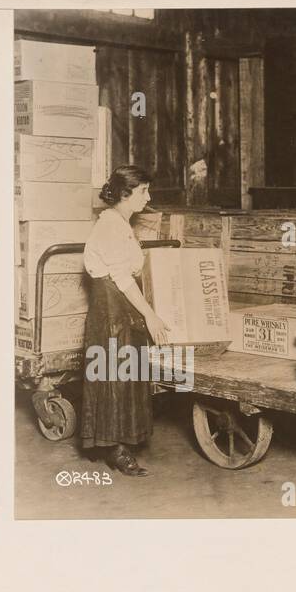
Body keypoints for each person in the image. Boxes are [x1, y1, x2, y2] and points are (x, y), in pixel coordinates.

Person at [78, 165, 170, 477]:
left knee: (125, 374)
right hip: (109, 309)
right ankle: (113, 448)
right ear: (125, 194)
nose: (148, 196)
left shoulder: (120, 224)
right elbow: (121, 277)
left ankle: (120, 442)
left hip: (120, 306)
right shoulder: (109, 226)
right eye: (143, 191)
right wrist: (150, 314)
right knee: (112, 376)